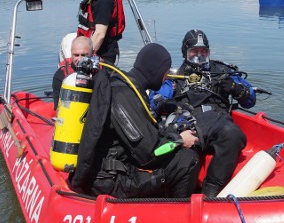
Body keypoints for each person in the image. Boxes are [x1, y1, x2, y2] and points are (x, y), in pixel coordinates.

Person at [69, 43, 200, 199]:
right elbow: (150, 154)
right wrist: (179, 139)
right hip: (109, 181)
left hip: (113, 171)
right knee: (187, 160)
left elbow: (147, 134)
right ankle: (178, 215)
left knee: (178, 155)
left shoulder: (128, 85)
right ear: (155, 71)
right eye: (165, 73)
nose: (167, 77)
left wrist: (172, 132)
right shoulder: (123, 95)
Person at [150, 29, 255, 197]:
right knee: (186, 157)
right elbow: (154, 100)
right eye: (194, 52)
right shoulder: (173, 77)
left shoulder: (222, 72)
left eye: (203, 52)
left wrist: (236, 88)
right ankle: (181, 200)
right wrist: (165, 103)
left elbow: (250, 99)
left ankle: (211, 190)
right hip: (187, 124)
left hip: (218, 123)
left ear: (209, 52)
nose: (199, 56)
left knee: (233, 134)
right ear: (185, 53)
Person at [76, 0, 124, 65]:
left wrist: (85, 60)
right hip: (92, 49)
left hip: (102, 54)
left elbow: (99, 34)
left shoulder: (104, 1)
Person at [51, 35, 93, 104]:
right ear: (71, 54)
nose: (80, 59)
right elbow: (57, 106)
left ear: (92, 53)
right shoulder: (61, 74)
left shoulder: (103, 69)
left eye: (84, 55)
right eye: (76, 55)